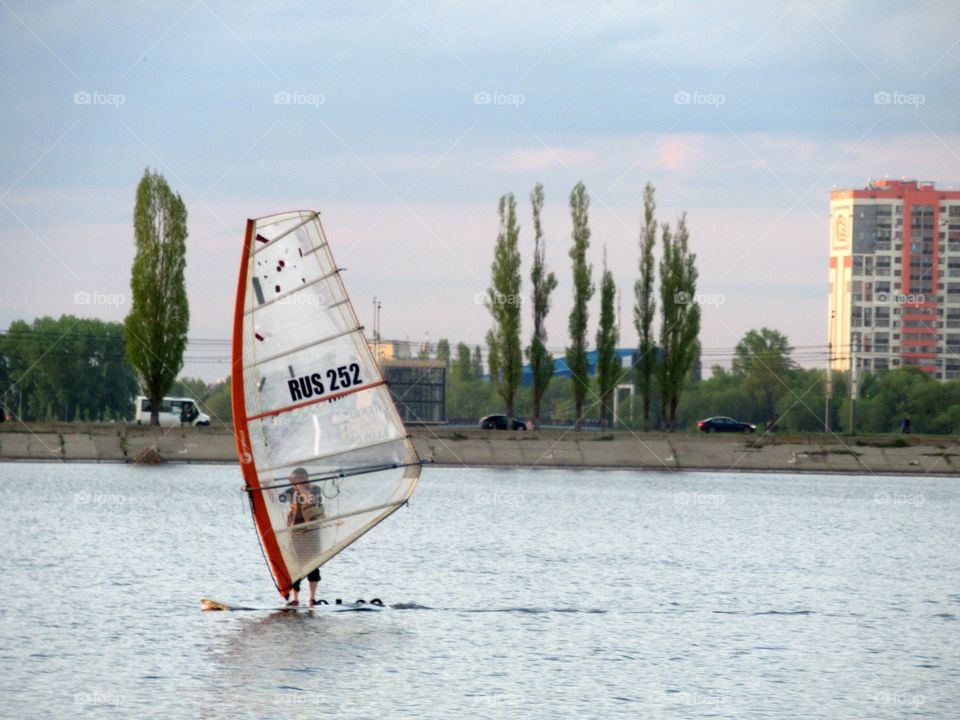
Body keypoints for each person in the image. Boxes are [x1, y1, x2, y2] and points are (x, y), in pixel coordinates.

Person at [283, 467, 325, 606]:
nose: (293, 483)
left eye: (295, 479)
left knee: (313, 564)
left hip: (311, 532)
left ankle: (312, 598)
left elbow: (309, 500)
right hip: (295, 532)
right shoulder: (291, 491)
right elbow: (278, 499)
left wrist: (299, 485)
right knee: (295, 565)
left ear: (304, 478)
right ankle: (295, 599)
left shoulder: (315, 490)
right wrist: (265, 487)